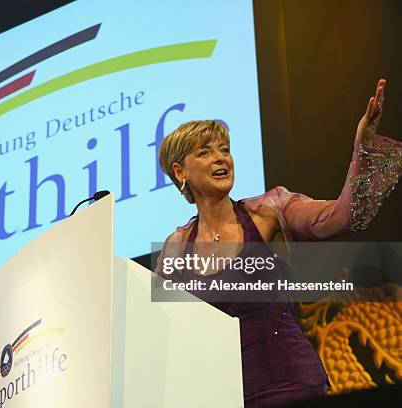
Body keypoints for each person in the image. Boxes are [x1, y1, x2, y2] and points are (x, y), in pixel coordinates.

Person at [156, 79, 401, 407]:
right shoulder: (177, 245)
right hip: (223, 394)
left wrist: (363, 147)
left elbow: (340, 216)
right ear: (179, 171)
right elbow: (162, 330)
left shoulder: (269, 212)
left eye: (225, 150)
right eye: (205, 152)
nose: (221, 159)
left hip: (291, 384)